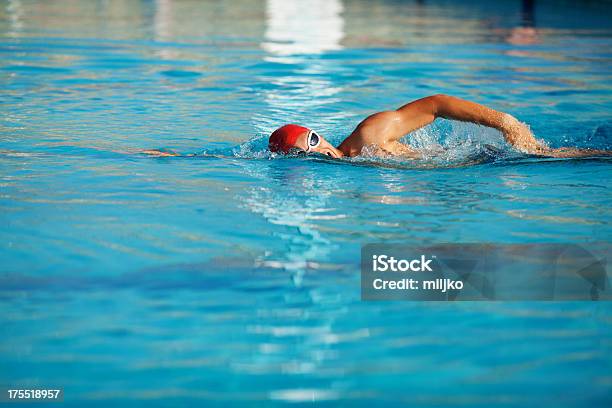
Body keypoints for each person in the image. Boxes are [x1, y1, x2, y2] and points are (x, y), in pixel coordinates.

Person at [268, 94, 609, 159]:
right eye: (307, 152)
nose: (320, 148)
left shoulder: (368, 136)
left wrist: (505, 123)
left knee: (561, 158)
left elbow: (436, 104)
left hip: (494, 158)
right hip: (476, 179)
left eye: (314, 138)